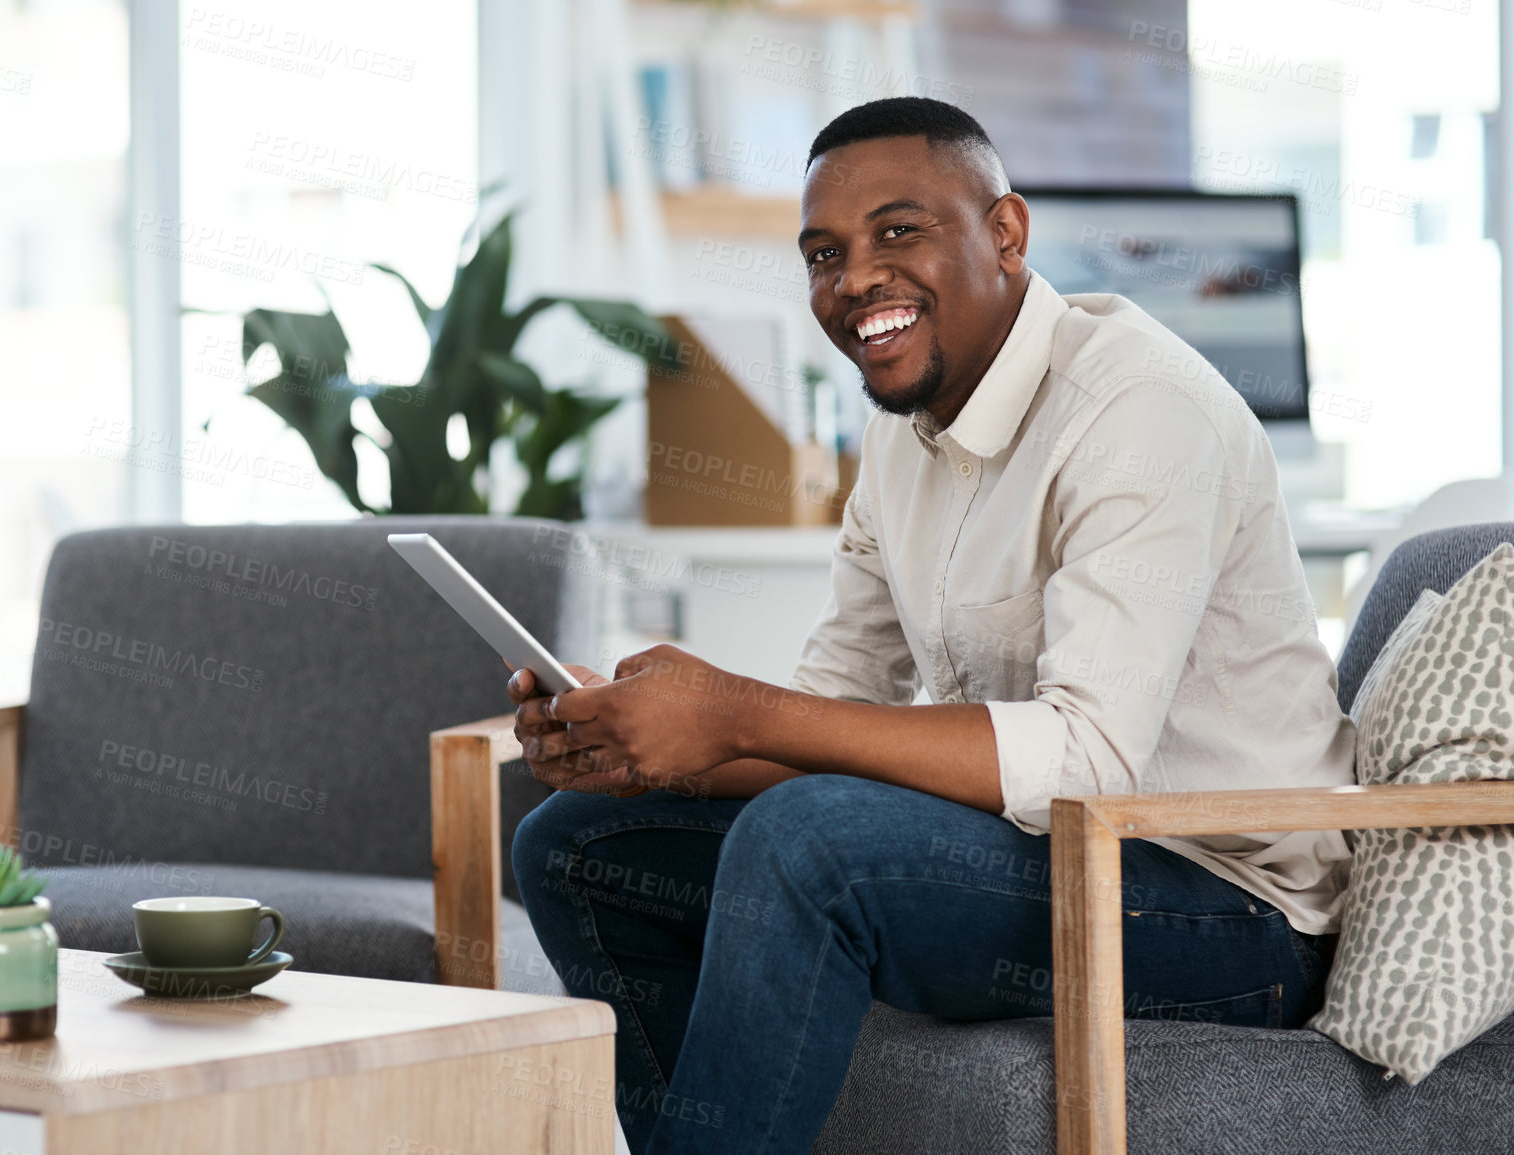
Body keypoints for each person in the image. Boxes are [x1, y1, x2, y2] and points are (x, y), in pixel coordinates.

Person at [508, 96, 1353, 1155]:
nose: (854, 278)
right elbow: (829, 717)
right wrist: (641, 741)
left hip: (1228, 912)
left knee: (810, 844)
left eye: (897, 232)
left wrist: (731, 712)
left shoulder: (1140, 408)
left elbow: (1087, 758)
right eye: (824, 253)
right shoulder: (902, 441)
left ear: (1007, 233)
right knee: (580, 845)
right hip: (1042, 864)